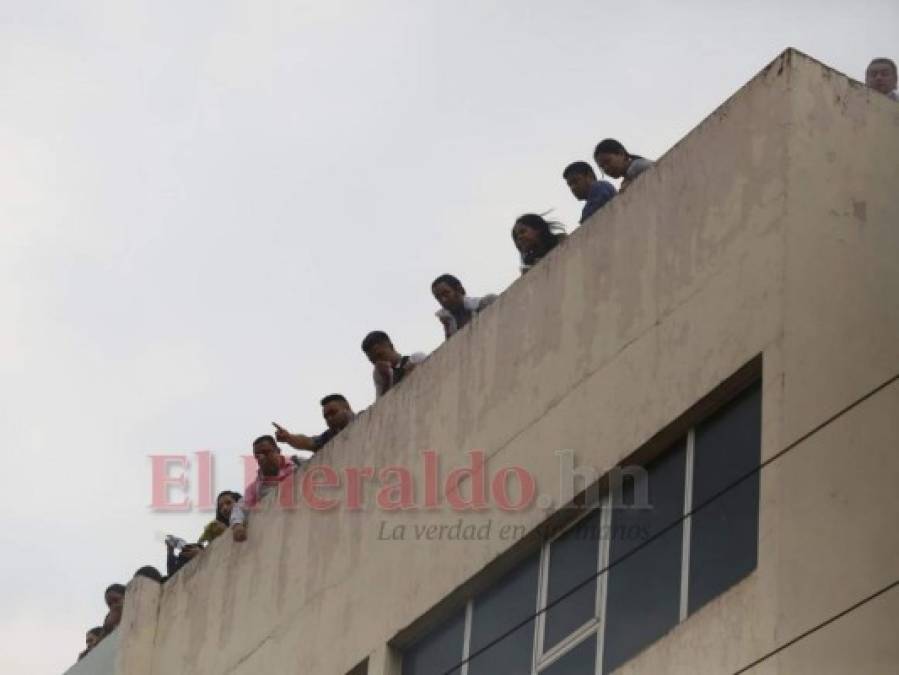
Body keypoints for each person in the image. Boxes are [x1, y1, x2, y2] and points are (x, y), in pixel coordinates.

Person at [230, 435, 298, 542]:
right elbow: (240, 508)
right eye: (258, 455)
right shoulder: (256, 488)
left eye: (266, 452)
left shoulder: (299, 464)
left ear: (278, 451)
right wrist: (237, 526)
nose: (262, 458)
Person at [273, 394, 356, 452]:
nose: (329, 418)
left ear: (347, 408)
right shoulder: (329, 437)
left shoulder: (367, 421)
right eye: (326, 416)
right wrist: (289, 437)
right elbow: (309, 442)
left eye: (333, 412)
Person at [361, 331, 427, 398]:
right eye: (373, 360)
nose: (378, 362)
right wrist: (386, 381)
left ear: (390, 346)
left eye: (380, 355)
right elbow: (382, 405)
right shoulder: (380, 376)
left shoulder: (415, 358)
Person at [431, 274, 497, 339]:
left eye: (446, 294)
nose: (443, 300)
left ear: (460, 289)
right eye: (438, 298)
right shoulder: (449, 323)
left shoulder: (486, 303)